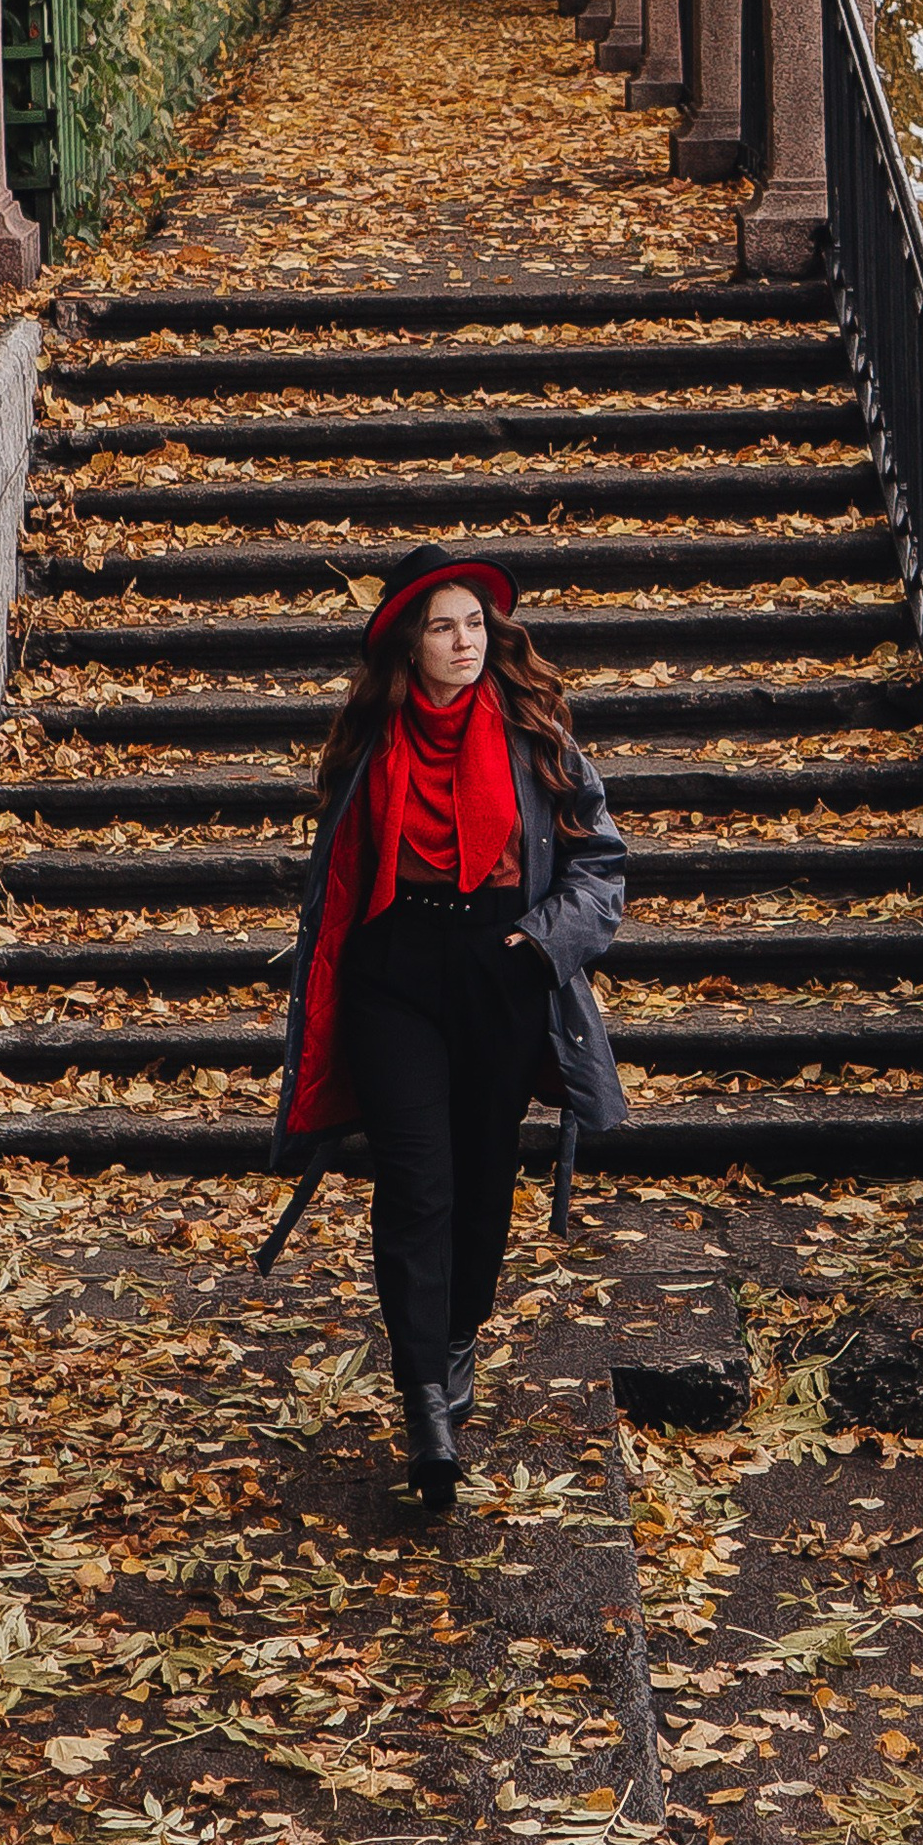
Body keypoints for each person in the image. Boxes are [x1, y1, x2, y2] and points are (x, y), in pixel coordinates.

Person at [270, 545, 629, 1506]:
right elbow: (335, 875)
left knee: (479, 1182)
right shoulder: (371, 733)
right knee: (415, 1182)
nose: (465, 642)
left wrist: (539, 943)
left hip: (500, 967)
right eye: (443, 626)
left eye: (475, 623)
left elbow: (603, 865)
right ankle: (424, 1395)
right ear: (408, 643)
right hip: (395, 975)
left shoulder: (535, 728)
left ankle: (460, 1332)